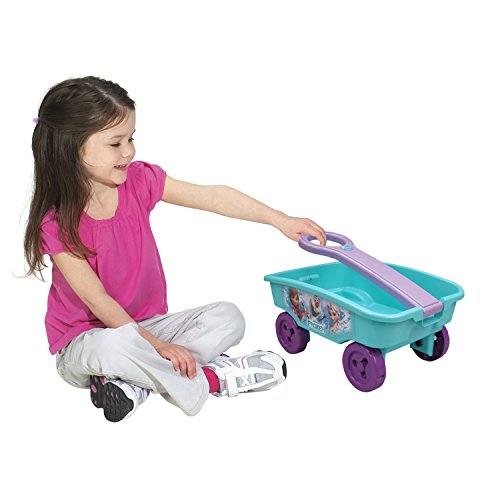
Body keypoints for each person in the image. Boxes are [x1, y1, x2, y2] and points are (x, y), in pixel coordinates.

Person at [24, 76, 326, 422]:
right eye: (115, 143)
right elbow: (98, 301)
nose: (129, 151)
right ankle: (209, 380)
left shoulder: (139, 181)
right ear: (72, 148)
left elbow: (213, 196)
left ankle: (134, 383)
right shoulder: (57, 223)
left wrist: (279, 219)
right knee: (113, 345)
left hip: (150, 325)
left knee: (228, 318)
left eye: (131, 139)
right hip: (86, 343)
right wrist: (159, 347)